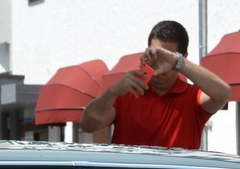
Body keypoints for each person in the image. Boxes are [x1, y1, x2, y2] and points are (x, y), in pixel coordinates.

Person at [80, 19, 231, 149]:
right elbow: (87, 125)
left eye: (166, 57)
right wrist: (111, 92)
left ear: (182, 58)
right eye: (155, 54)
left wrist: (177, 62)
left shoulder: (193, 97)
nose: (159, 64)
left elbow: (224, 93)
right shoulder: (127, 91)